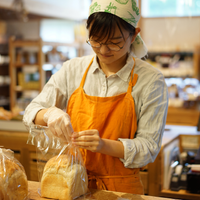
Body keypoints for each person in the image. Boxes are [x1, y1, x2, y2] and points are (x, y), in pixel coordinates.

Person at [23, 0, 168, 195]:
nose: (103, 50)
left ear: (134, 34)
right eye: (96, 40)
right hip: (72, 184)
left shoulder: (151, 80)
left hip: (122, 190)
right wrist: (49, 114)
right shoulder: (72, 69)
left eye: (114, 42)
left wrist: (103, 145)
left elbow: (148, 148)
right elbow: (31, 111)